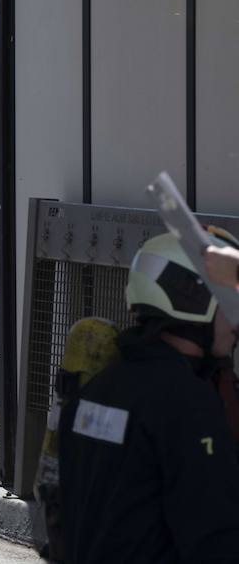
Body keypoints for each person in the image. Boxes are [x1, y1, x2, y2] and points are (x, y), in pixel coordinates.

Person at [53, 232, 239, 562]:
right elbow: (215, 535)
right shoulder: (187, 403)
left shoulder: (98, 388)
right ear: (194, 301)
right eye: (230, 301)